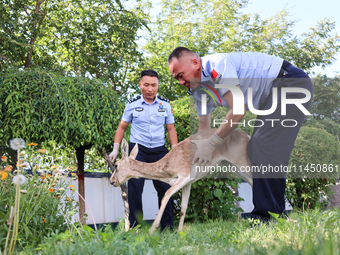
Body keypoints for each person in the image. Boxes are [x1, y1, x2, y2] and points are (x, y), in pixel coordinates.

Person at [167, 47, 314, 222]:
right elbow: (203, 129)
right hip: (274, 94)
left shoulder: (217, 64)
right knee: (256, 148)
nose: (180, 82)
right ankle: (275, 215)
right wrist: (196, 157)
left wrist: (212, 143)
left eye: (181, 75)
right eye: (176, 78)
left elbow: (238, 111)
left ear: (195, 62)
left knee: (264, 145)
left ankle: (266, 218)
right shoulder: (199, 90)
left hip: (291, 82)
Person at [109, 69, 178, 230]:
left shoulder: (165, 105)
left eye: (154, 85)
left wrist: (174, 150)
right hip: (137, 151)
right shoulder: (132, 105)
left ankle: (167, 228)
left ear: (158, 86)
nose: (150, 89)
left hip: (159, 151)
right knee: (135, 189)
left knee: (165, 188)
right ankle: (135, 228)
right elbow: (121, 128)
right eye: (146, 85)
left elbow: (171, 129)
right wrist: (115, 149)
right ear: (140, 85)